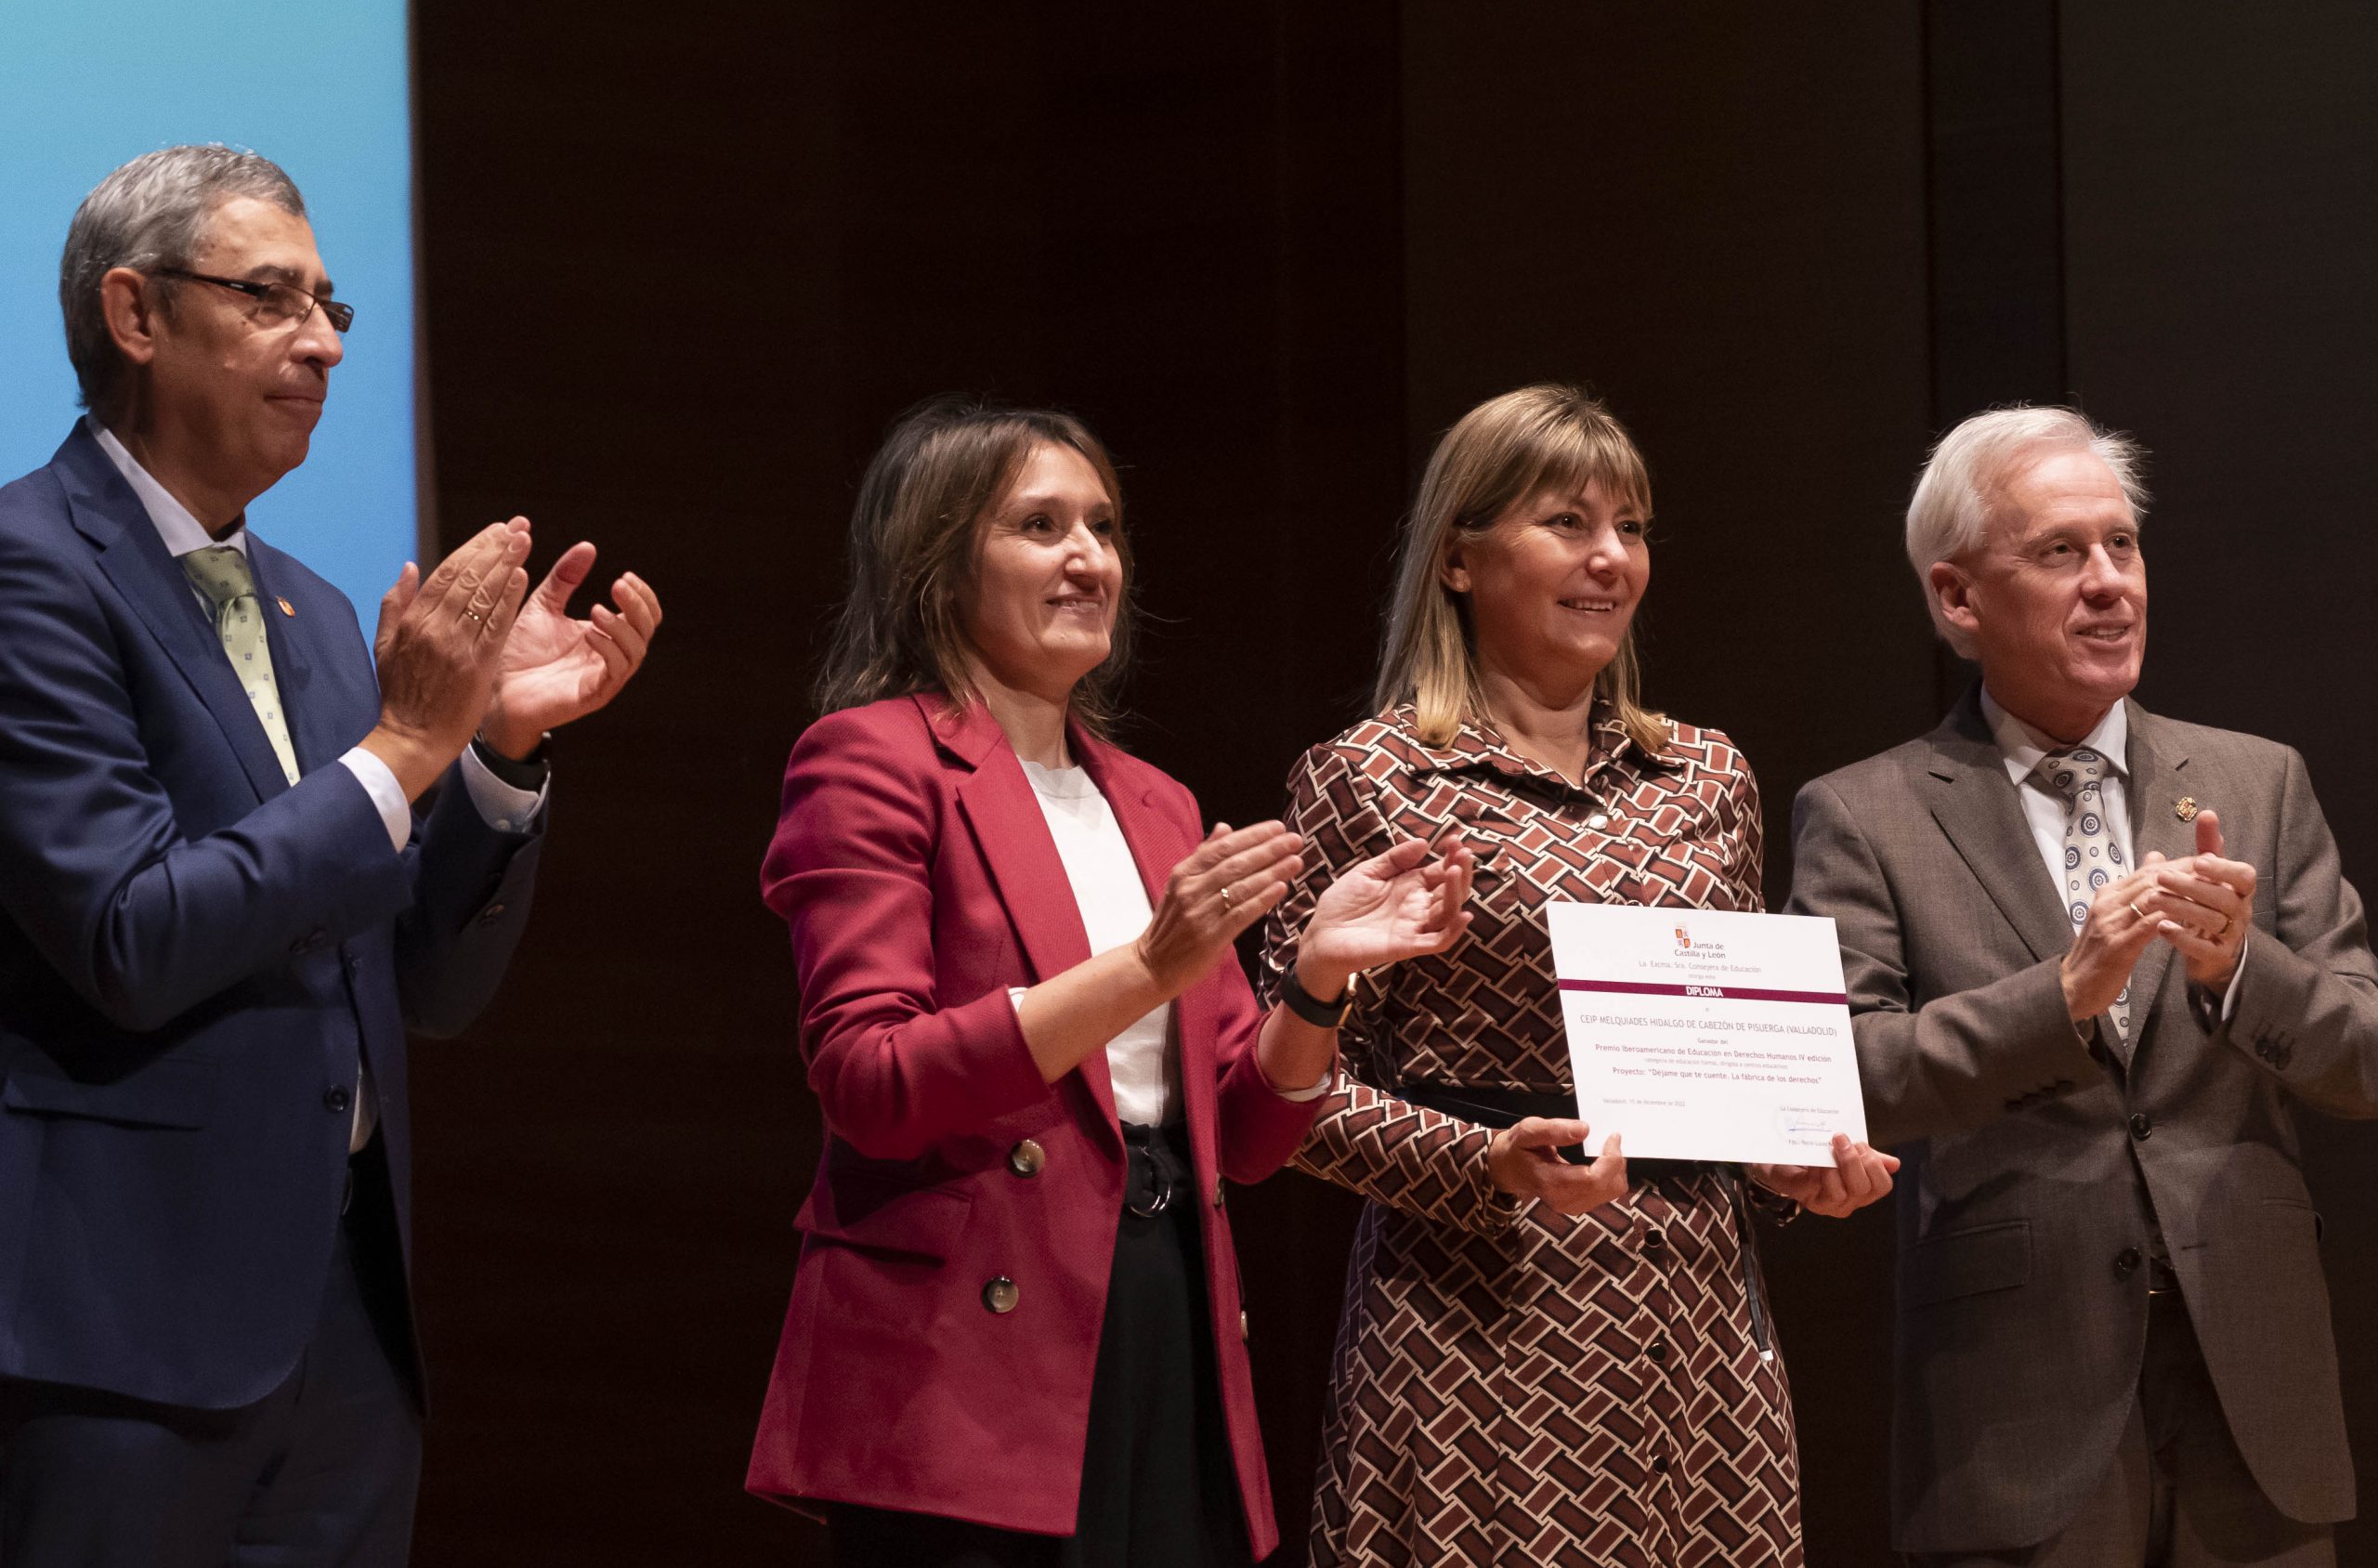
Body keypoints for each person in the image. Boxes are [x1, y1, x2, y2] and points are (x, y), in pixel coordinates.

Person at [0, 145, 660, 1566]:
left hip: (346, 1334)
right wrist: (408, 745)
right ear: (134, 313)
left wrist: (491, 755)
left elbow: (423, 981)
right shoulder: (27, 569)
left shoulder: (305, 605)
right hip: (121, 1341)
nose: (324, 341)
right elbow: (129, 931)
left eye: (334, 305)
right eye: (271, 297)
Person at [748, 398, 1474, 1567]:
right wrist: (1147, 965)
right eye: (1040, 525)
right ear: (940, 565)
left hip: (1159, 1287)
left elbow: (1241, 1132)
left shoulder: (1155, 800)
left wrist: (1317, 986)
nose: (1088, 557)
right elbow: (869, 1080)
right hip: (968, 1339)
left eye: (1103, 525)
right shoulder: (872, 757)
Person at [1261, 383, 1895, 1568]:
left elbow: (1739, 1075)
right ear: (1460, 558)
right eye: (1567, 523)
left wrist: (1796, 1162)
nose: (1610, 558)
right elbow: (1281, 1097)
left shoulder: (1706, 776)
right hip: (1480, 1331)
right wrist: (1482, 1164)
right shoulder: (1373, 776)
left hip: (1701, 1338)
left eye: (1633, 528)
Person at [1787, 404, 2378, 1566]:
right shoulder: (1865, 813)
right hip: (2016, 1394)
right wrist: (2057, 997)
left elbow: (2363, 1053)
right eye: (2060, 552)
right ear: (1957, 598)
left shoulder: (2257, 781)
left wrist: (2237, 971)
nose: (2109, 583)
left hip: (2251, 1386)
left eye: (2122, 545)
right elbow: (1843, 1075)